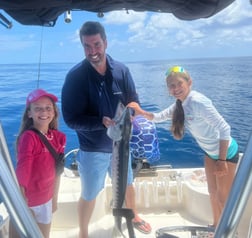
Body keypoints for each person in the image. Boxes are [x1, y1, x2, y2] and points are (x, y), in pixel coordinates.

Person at [61, 21, 151, 237]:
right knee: (89, 194)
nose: (93, 51)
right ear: (82, 46)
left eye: (97, 44)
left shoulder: (122, 70)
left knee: (128, 184)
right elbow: (71, 119)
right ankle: (83, 233)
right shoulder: (75, 77)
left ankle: (134, 214)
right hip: (92, 149)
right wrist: (99, 123)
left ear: (105, 42)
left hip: (122, 146)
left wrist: (133, 112)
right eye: (87, 46)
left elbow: (133, 102)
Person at [130, 66, 239, 228]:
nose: (176, 89)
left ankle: (229, 232)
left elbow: (225, 129)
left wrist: (222, 160)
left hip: (226, 154)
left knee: (224, 199)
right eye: (171, 86)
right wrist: (140, 112)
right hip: (210, 153)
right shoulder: (179, 105)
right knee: (213, 194)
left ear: (189, 83)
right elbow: (158, 117)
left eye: (179, 84)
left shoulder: (197, 101)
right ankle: (216, 226)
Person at [15, 89, 66, 238]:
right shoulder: (29, 137)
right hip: (28, 200)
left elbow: (58, 171)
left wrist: (54, 199)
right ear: (29, 113)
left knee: (43, 235)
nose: (44, 112)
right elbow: (23, 169)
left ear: (54, 112)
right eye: (37, 108)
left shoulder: (59, 138)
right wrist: (22, 202)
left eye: (48, 108)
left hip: (47, 199)